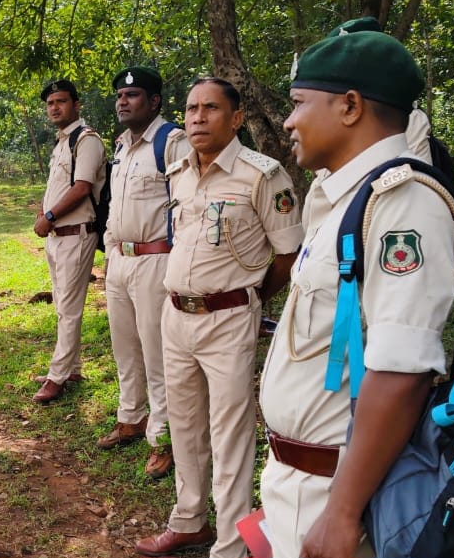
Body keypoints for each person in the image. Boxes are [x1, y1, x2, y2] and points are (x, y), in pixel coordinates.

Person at [257, 24, 454, 558]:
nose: (288, 120)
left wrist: (343, 514)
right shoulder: (342, 196)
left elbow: (404, 369)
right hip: (300, 479)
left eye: (299, 103)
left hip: (338, 491)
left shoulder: (402, 203)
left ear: (349, 106)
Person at [135, 77, 303, 558]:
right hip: (176, 315)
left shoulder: (262, 175)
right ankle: (189, 520)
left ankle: (231, 543)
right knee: (184, 424)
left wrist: (248, 300)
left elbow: (287, 254)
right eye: (191, 109)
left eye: (211, 109)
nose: (197, 118)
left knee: (229, 433)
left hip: (228, 320)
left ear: (236, 119)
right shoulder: (179, 169)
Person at [97, 66, 191, 478]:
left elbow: (188, 203)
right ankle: (130, 416)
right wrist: (108, 249)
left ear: (154, 101)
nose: (123, 101)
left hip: (157, 259)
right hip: (120, 259)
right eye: (120, 94)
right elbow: (116, 204)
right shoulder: (122, 146)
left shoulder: (171, 142)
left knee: (158, 354)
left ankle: (164, 437)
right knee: (125, 348)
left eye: (132, 94)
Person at [32, 79, 107, 404]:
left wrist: (48, 217)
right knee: (63, 306)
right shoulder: (62, 142)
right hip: (57, 236)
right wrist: (45, 214)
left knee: (69, 309)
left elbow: (81, 188)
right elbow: (58, 186)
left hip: (76, 234)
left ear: (76, 104)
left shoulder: (85, 140)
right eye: (50, 103)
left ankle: (58, 376)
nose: (54, 108)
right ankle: (72, 367)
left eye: (61, 101)